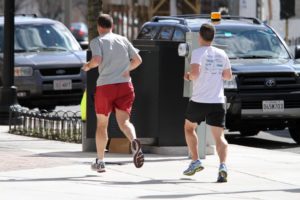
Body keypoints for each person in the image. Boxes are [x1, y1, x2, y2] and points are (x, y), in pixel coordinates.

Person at [82, 14, 144, 172]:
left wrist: (88, 66)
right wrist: (126, 70)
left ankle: (101, 161)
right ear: (112, 26)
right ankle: (134, 141)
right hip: (125, 85)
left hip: (105, 87)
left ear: (98, 27)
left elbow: (96, 60)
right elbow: (138, 60)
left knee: (102, 125)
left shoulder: (97, 41)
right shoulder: (123, 39)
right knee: (124, 122)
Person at [183, 23, 232, 182]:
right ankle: (223, 166)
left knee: (189, 128)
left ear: (200, 37)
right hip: (217, 101)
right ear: (213, 36)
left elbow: (195, 74)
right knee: (220, 137)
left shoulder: (198, 52)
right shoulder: (222, 53)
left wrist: (188, 76)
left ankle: (195, 161)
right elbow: (227, 76)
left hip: (199, 100)